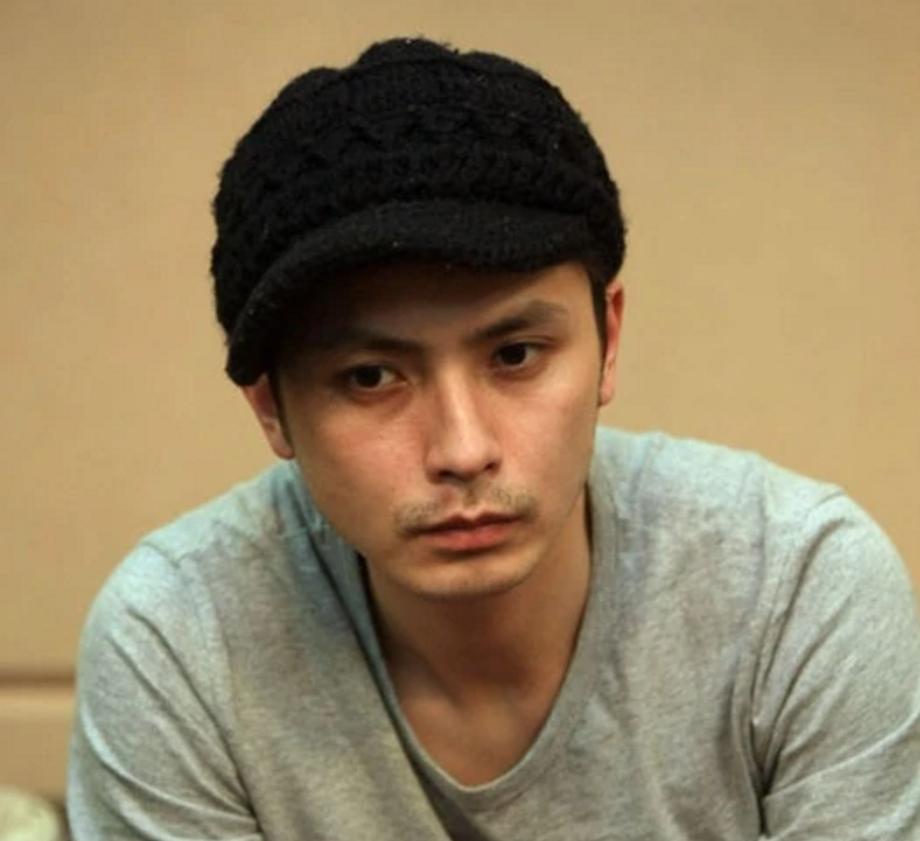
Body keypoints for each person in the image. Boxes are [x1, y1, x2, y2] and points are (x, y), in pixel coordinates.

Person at [67, 37, 920, 840]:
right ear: (269, 406)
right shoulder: (179, 642)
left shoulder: (795, 588)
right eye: (371, 376)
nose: (463, 449)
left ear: (608, 340)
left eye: (515, 355)